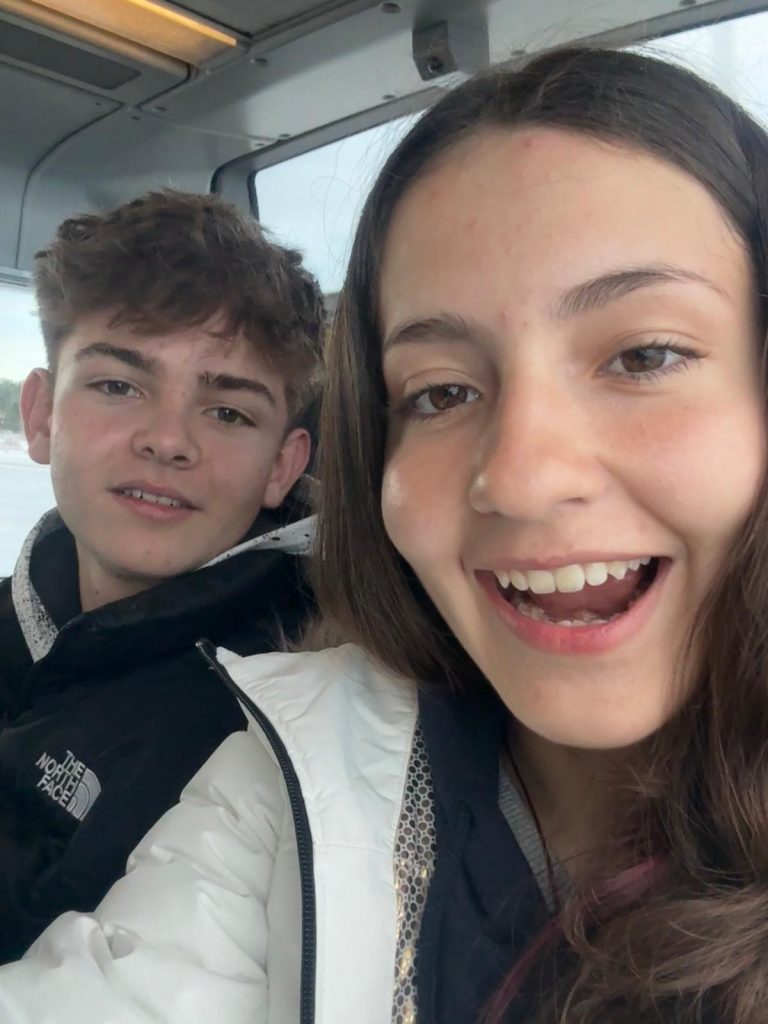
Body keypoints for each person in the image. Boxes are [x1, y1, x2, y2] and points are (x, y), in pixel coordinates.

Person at [0, 43, 766, 1024]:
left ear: (293, 462)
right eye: (441, 391)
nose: (521, 478)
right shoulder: (294, 764)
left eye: (645, 355)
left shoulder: (249, 702)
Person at [0, 190, 324, 963]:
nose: (168, 440)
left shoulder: (286, 716)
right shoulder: (17, 610)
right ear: (41, 415)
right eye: (119, 386)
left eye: (228, 412)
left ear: (282, 466)